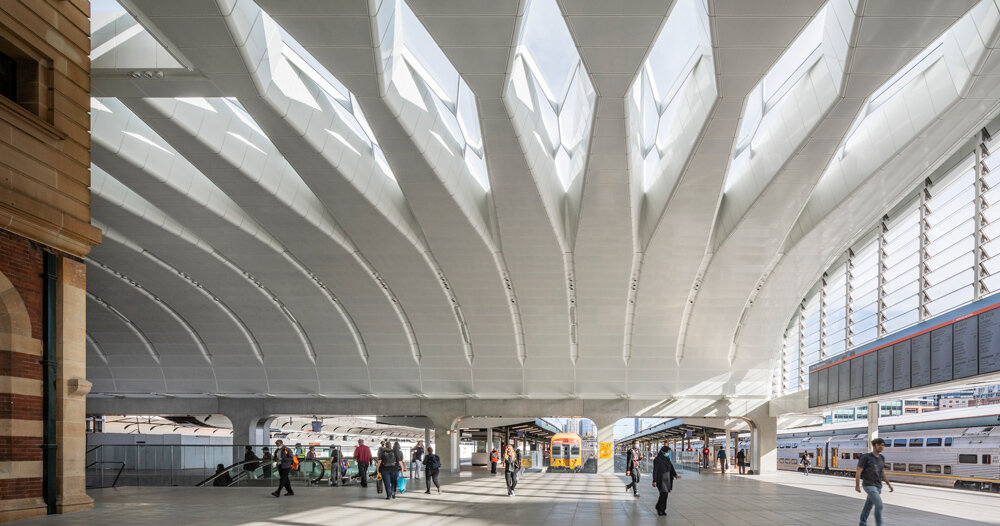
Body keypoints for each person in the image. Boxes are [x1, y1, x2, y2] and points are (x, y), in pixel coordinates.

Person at [856, 438, 893, 526]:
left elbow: (883, 472)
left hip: (878, 486)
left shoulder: (882, 458)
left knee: (868, 506)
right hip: (869, 485)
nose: (882, 447)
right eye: (880, 445)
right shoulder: (866, 457)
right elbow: (858, 472)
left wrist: (889, 484)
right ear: (874, 446)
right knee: (879, 505)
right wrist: (857, 485)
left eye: (883, 445)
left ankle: (862, 523)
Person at [652, 446, 681, 517]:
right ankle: (658, 507)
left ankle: (663, 509)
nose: (668, 453)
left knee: (666, 494)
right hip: (661, 478)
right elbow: (655, 470)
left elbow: (671, 467)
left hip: (668, 478)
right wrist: (654, 480)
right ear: (663, 451)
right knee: (663, 493)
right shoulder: (657, 459)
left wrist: (675, 475)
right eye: (667, 452)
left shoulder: (667, 459)